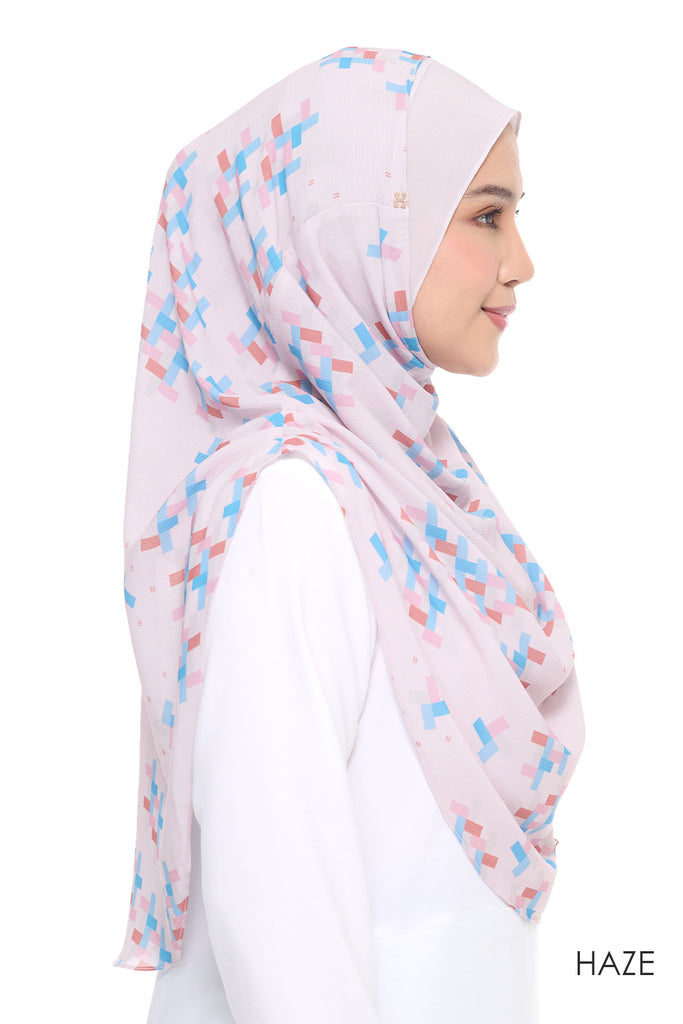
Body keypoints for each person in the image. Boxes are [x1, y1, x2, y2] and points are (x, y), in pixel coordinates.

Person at [114, 45, 586, 1024]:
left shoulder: (414, 492)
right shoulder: (295, 508)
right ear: (352, 230)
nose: (521, 263)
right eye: (486, 215)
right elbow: (277, 924)